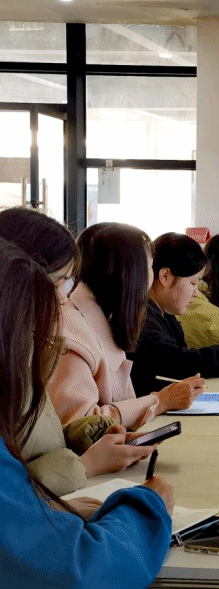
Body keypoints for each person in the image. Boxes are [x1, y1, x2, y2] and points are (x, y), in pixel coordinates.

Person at [0, 238, 174, 586]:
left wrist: (45, 513)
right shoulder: (69, 336)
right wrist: (146, 509)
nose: (63, 302)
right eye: (61, 283)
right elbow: (79, 569)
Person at [0, 209, 155, 496]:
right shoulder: (60, 333)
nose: (64, 297)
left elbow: (34, 440)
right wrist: (86, 465)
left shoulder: (20, 348)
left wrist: (87, 434)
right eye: (59, 281)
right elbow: (11, 492)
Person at [49, 223, 203, 430]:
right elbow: (80, 425)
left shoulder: (103, 318)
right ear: (130, 274)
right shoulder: (72, 332)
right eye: (149, 267)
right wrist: (159, 401)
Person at [129, 233, 219, 397]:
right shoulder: (141, 318)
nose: (196, 292)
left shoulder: (166, 316)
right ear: (165, 276)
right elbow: (175, 363)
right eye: (193, 283)